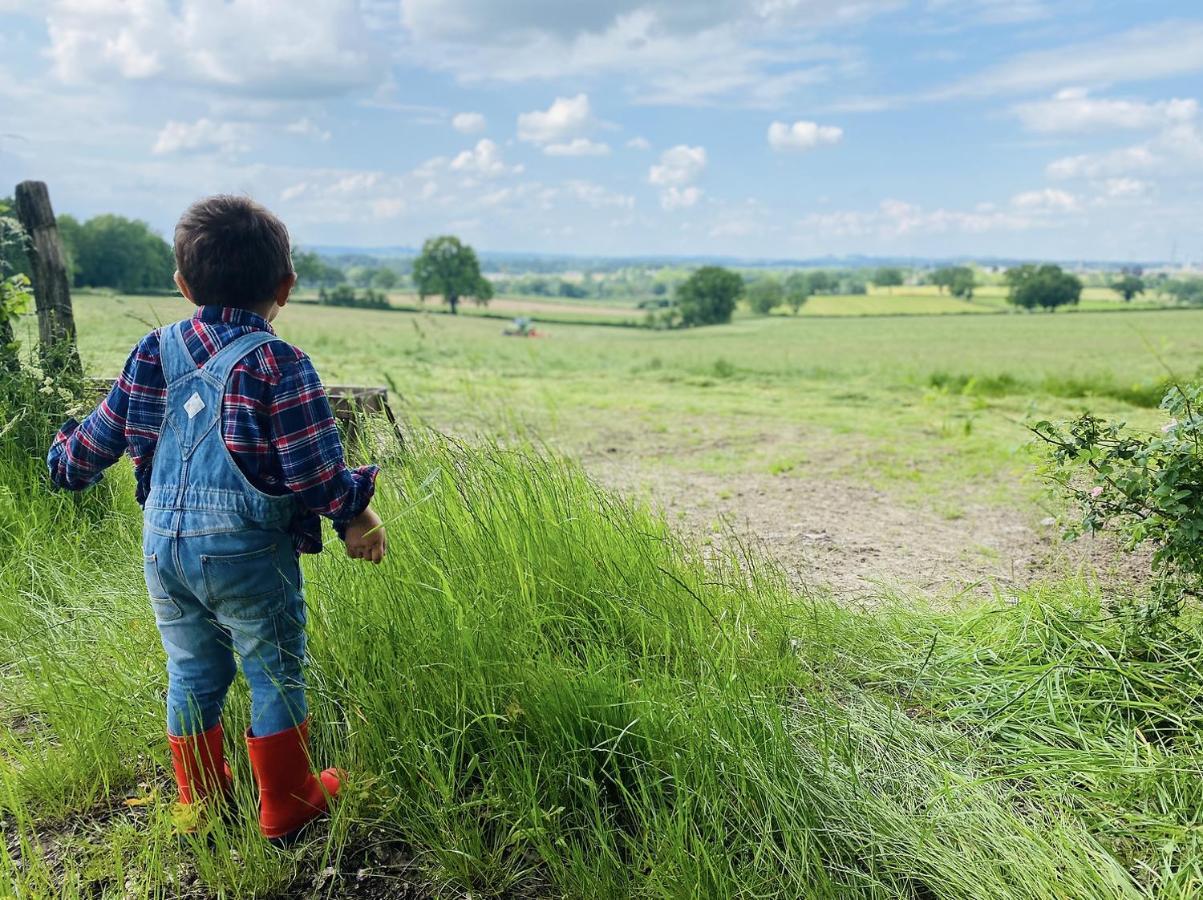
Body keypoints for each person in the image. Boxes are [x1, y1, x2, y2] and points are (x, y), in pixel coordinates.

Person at [47, 194, 386, 842]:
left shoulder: (153, 351)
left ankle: (200, 803)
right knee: (273, 668)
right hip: (247, 554)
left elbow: (101, 433)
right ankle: (287, 802)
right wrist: (355, 513)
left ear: (182, 284)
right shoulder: (279, 363)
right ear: (284, 287)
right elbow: (313, 471)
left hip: (164, 553)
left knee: (193, 671)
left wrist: (63, 464)